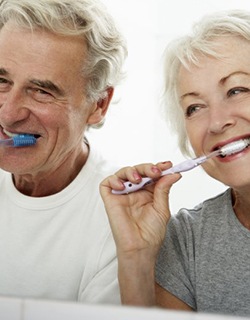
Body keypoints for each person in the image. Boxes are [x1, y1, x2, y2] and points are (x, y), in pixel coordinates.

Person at [100, 9, 250, 316]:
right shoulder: (186, 238)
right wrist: (137, 258)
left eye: (237, 90)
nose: (217, 122)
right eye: (194, 107)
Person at [0, 0, 127, 304]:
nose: (8, 114)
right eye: (2, 81)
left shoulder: (119, 218)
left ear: (98, 104)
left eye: (42, 91)